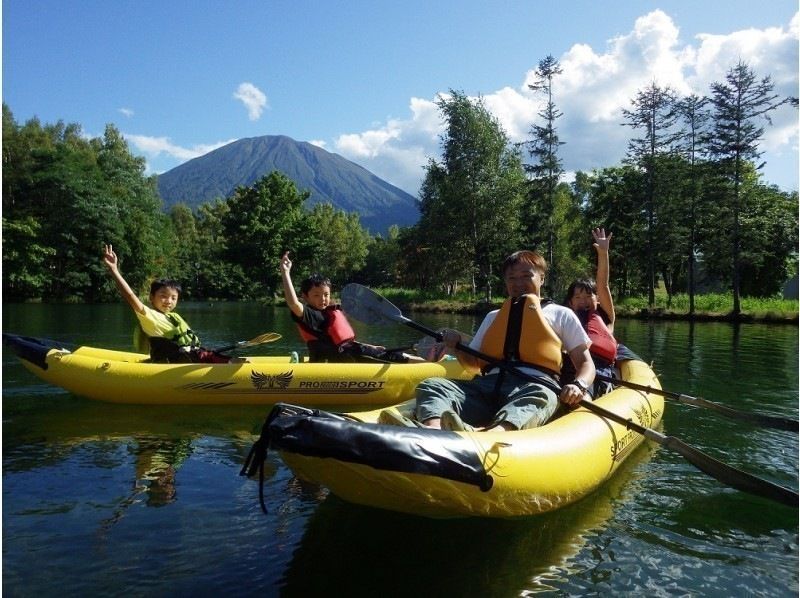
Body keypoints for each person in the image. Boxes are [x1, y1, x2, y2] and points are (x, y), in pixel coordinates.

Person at [385, 249, 595, 432]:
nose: (518, 283)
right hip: (488, 386)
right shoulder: (493, 316)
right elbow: (473, 366)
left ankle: (490, 435)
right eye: (511, 278)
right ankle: (435, 429)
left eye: (526, 276)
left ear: (542, 278)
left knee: (541, 396)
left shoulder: (561, 314)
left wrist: (579, 384)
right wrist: (456, 346)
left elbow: (586, 364)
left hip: (533, 385)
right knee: (433, 385)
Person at [279, 251, 422, 363]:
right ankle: (432, 367)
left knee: (388, 353)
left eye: (326, 294)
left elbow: (342, 341)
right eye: (316, 295)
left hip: (349, 355)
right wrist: (286, 273)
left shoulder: (327, 313)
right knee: (394, 357)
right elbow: (293, 303)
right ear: (305, 296)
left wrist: (370, 347)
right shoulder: (310, 315)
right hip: (339, 360)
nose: (323, 299)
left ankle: (430, 363)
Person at [103, 244, 232, 363]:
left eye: (173, 298)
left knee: (233, 360)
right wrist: (114, 271)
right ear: (151, 298)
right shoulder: (149, 316)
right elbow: (130, 296)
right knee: (232, 363)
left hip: (190, 359)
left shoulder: (172, 317)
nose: (168, 301)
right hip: (173, 365)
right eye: (163, 296)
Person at [562, 228, 640, 397]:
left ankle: (583, 402)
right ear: (571, 303)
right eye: (578, 297)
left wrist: (603, 253)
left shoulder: (605, 316)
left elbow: (603, 284)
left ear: (597, 299)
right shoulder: (566, 320)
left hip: (598, 370)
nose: (583, 301)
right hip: (571, 367)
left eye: (588, 295)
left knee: (585, 393)